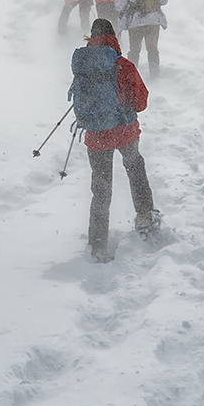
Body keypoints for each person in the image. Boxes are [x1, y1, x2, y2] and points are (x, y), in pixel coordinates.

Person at [68, 17, 161, 262]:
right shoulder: (122, 64)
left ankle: (97, 246)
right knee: (135, 169)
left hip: (96, 136)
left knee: (101, 189)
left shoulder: (82, 65)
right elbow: (141, 102)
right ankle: (145, 219)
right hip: (123, 132)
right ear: (113, 37)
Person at [114, 0, 169, 76]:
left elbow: (119, 5)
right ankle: (154, 74)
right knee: (152, 49)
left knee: (134, 50)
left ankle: (132, 75)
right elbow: (164, 0)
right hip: (153, 21)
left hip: (135, 23)